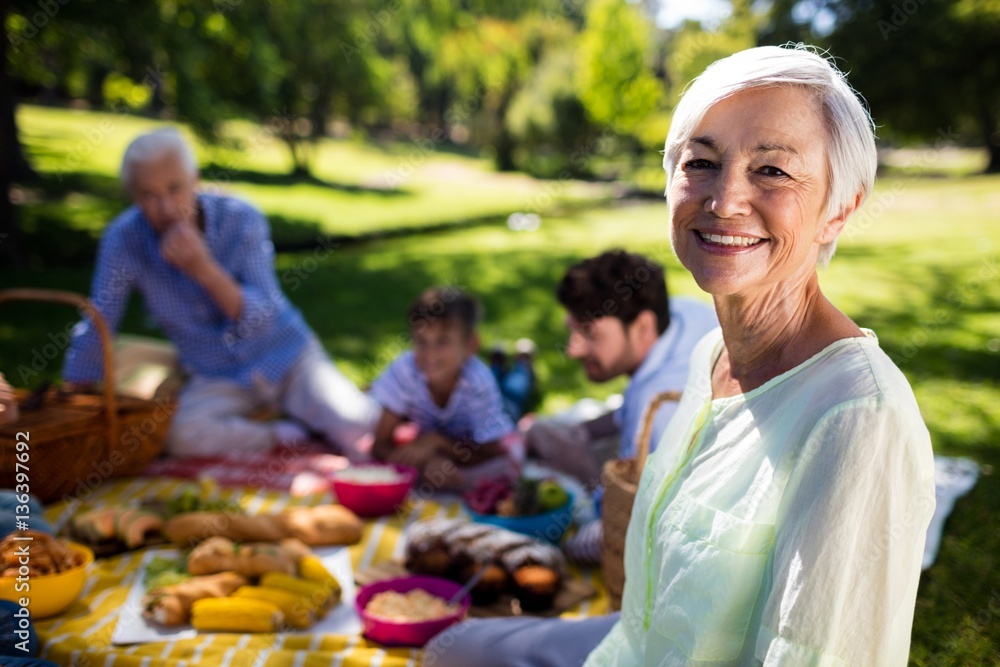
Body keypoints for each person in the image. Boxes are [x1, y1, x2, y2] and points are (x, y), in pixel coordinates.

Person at [425, 44, 935, 666]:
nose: (724, 201)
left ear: (841, 208)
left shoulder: (857, 418)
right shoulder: (709, 355)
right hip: (631, 646)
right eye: (702, 162)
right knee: (448, 646)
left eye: (772, 171)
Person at [62, 128, 380, 459]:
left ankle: (330, 415)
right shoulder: (124, 240)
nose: (166, 207)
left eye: (175, 189)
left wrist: (204, 268)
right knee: (180, 436)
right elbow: (100, 317)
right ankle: (282, 435)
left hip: (285, 356)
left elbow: (263, 318)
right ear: (133, 197)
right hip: (215, 376)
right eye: (148, 195)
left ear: (195, 179)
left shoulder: (241, 219)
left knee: (360, 425)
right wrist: (74, 389)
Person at [525, 250, 717, 489]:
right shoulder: (683, 310)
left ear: (642, 327)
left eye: (590, 333)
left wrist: (580, 468)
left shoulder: (656, 409)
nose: (573, 351)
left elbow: (636, 512)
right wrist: (580, 430)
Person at [369, 287, 516, 490]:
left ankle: (523, 363)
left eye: (443, 341)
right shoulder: (405, 370)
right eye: (421, 341)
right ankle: (498, 361)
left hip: (500, 405)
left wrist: (437, 443)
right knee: (501, 378)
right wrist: (426, 461)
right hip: (468, 414)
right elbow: (380, 446)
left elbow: (492, 453)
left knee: (515, 392)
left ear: (470, 345)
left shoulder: (478, 383)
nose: (430, 354)